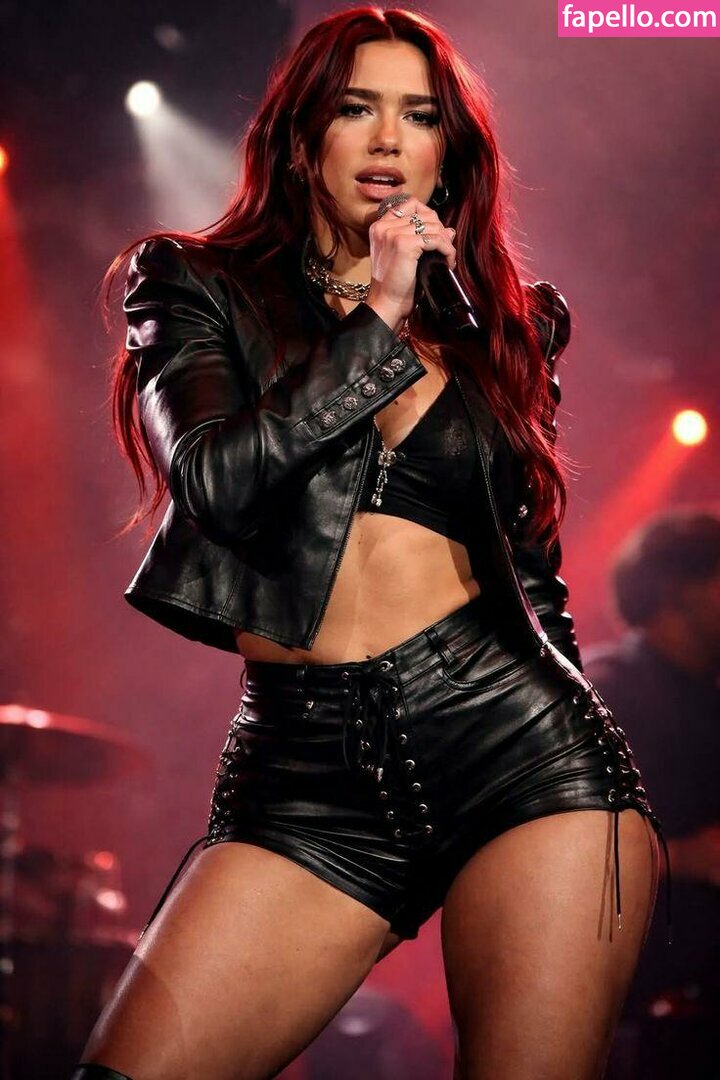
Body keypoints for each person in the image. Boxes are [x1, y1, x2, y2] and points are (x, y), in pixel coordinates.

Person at [74, 7, 667, 1079]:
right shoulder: (196, 282)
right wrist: (378, 314)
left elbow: (531, 573)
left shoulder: (508, 324)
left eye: (420, 116)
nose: (389, 139)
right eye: (357, 109)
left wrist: (590, 753)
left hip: (518, 747)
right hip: (305, 772)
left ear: (450, 152)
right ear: (304, 136)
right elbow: (215, 482)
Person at [583, 509, 720, 1078]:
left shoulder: (709, 695)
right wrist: (689, 857)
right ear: (679, 590)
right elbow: (568, 854)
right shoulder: (607, 692)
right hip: (642, 1024)